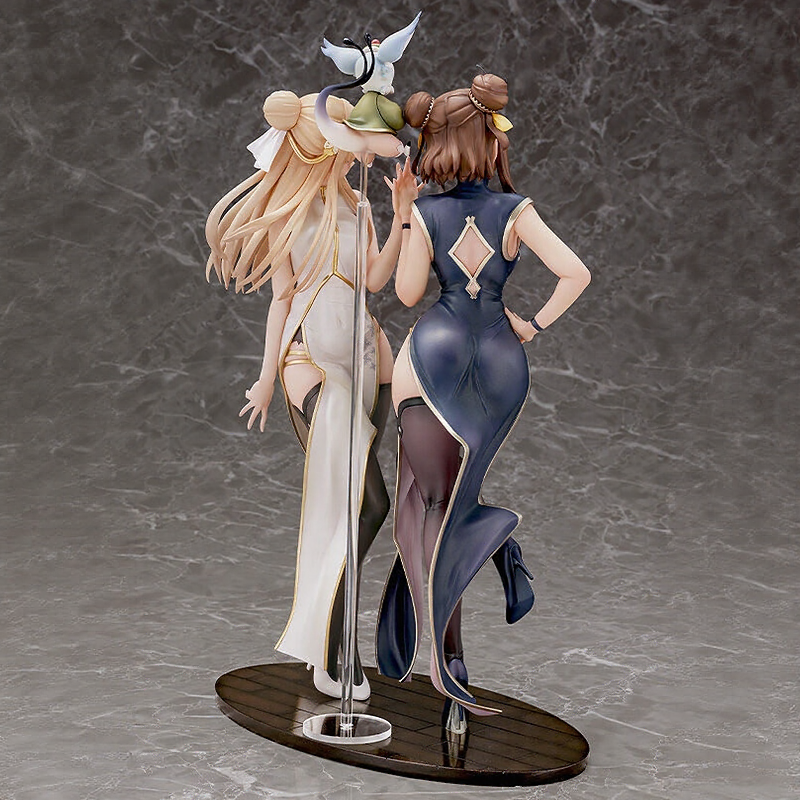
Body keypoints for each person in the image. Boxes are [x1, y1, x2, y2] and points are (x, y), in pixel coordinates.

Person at [376, 74, 591, 724]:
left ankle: (452, 657)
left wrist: (404, 213)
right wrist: (532, 325)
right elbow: (576, 273)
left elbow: (408, 294)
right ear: (489, 142)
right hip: (500, 362)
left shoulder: (427, 213)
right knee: (446, 505)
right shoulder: (515, 210)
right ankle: (456, 634)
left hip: (431, 360)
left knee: (427, 509)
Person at [206, 89, 416, 701]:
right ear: (318, 148)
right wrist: (266, 378)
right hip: (312, 363)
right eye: (343, 141)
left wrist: (402, 214)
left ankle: (334, 639)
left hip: (367, 359)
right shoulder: (290, 216)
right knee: (364, 505)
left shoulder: (360, 204)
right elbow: (280, 300)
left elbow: (374, 279)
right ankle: (328, 645)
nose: (356, 152)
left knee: (363, 505)